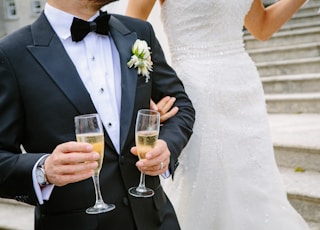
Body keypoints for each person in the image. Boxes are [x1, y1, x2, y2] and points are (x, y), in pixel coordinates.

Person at [0, 0, 195, 229]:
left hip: (157, 220)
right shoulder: (11, 54)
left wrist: (167, 147)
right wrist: (43, 170)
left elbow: (180, 105)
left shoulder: (139, 32)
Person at [126, 0, 311, 229]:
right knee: (206, 180)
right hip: (197, 90)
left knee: (254, 182)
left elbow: (261, 26)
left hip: (245, 90)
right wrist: (148, 94)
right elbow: (131, 31)